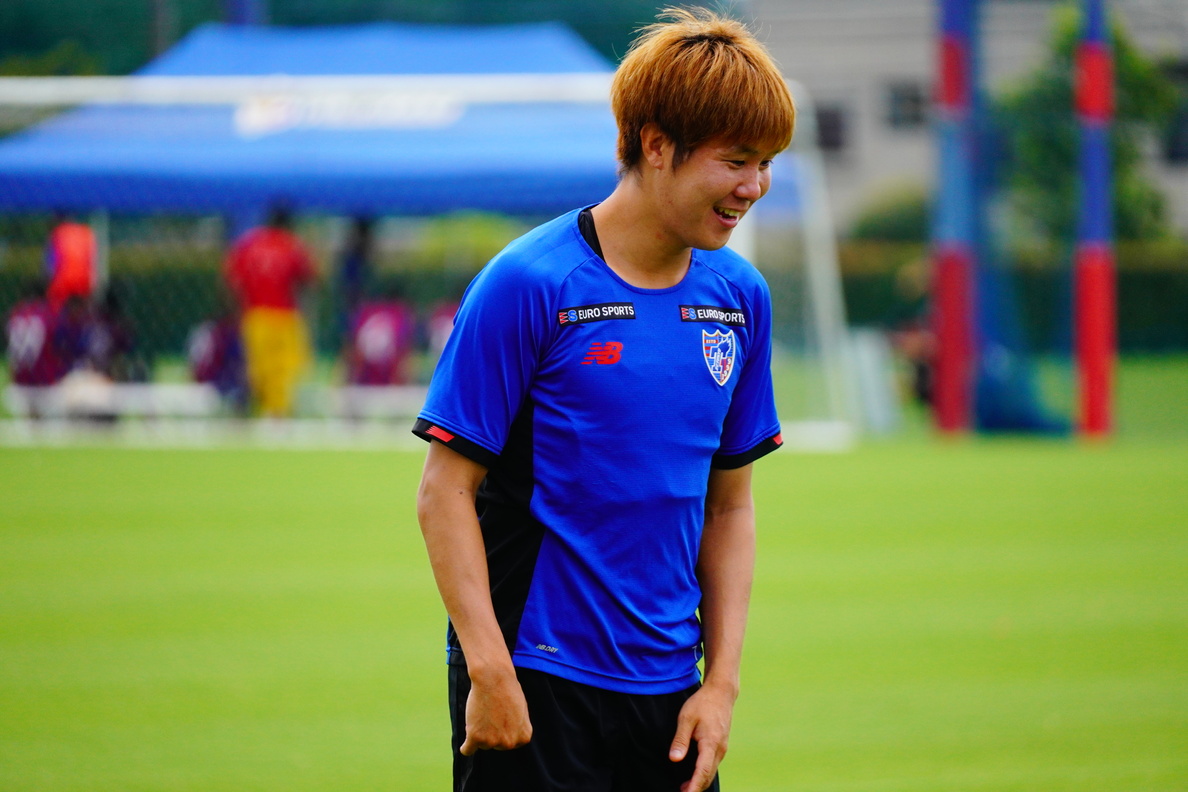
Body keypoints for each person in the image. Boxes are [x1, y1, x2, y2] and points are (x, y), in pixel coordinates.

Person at [413, 8, 795, 792]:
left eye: (765, 164)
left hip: (673, 698)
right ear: (655, 144)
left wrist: (721, 686)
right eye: (736, 161)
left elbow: (730, 507)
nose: (754, 187)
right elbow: (443, 492)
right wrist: (488, 670)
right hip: (533, 681)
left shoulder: (739, 297)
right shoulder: (530, 283)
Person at [223, 203, 316, 417]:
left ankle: (255, 408)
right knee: (285, 368)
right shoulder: (291, 245)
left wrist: (237, 311)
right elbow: (309, 279)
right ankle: (277, 413)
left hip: (256, 314)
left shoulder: (248, 245)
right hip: (285, 315)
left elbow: (232, 282)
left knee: (259, 368)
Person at [45, 212, 98, 311]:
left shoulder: (57, 233)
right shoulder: (86, 233)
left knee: (56, 311)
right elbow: (92, 262)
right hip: (83, 283)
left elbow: (50, 266)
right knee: (81, 312)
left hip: (61, 284)